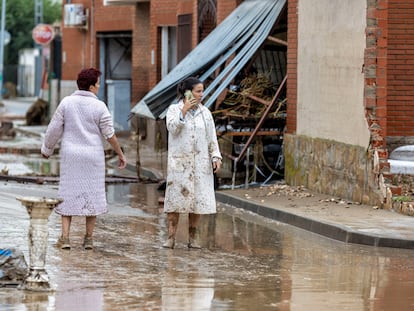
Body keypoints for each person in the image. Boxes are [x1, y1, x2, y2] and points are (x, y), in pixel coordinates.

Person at [41, 67, 127, 250]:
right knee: (93, 194)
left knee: (67, 193)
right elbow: (109, 134)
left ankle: (65, 238)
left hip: (71, 156)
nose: (99, 87)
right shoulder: (100, 106)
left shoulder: (66, 103)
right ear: (91, 86)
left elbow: (54, 128)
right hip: (93, 156)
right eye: (98, 84)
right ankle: (88, 239)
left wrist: (47, 149)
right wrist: (120, 153)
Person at [163, 76, 222, 249]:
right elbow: (172, 128)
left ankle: (193, 238)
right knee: (175, 201)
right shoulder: (174, 110)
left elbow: (212, 138)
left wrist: (215, 156)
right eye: (198, 91)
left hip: (201, 164)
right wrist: (184, 111)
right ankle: (171, 238)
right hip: (179, 164)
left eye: (202, 91)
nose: (201, 94)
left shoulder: (206, 113)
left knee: (197, 202)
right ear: (187, 92)